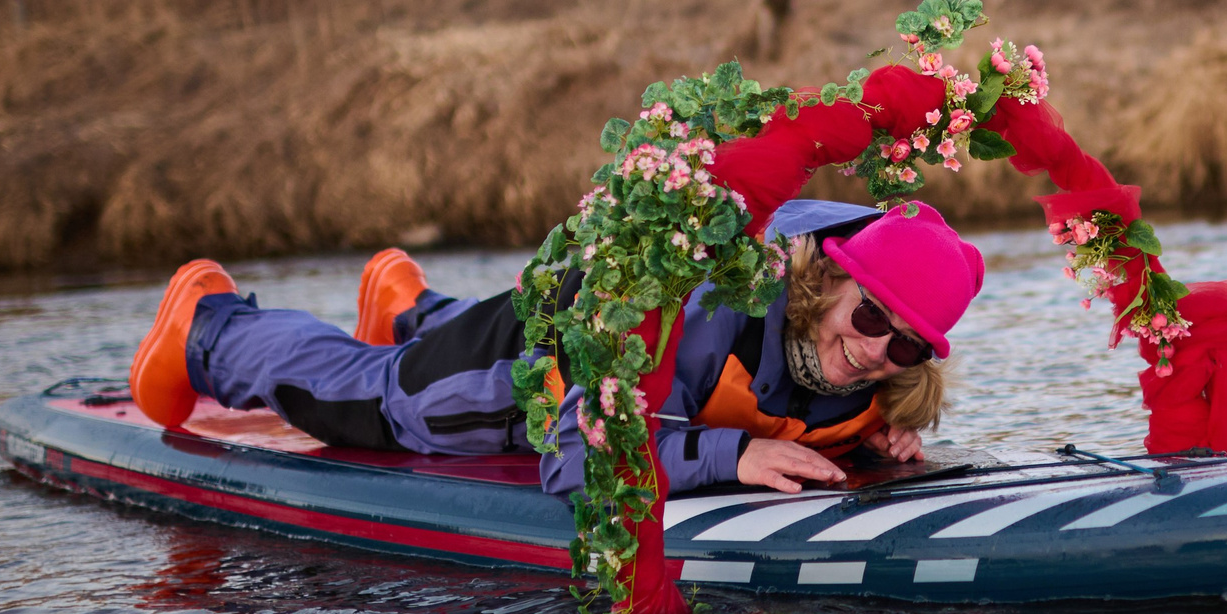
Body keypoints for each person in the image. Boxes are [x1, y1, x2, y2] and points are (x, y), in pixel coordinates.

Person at [124, 198, 987, 497]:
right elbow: (575, 454)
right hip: (536, 365)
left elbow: (802, 400)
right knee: (370, 399)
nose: (879, 352)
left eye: (909, 345)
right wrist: (733, 455)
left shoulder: (867, 371)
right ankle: (211, 324)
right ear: (825, 277)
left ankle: (407, 303)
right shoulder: (715, 312)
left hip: (581, 325)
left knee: (414, 353)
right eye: (872, 320)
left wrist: (869, 434)